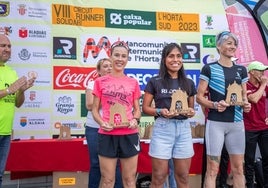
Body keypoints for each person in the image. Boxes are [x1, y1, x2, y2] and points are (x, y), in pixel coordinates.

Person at [196, 31, 251, 188]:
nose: (232, 46)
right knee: (212, 170)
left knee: (239, 169)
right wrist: (214, 105)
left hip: (237, 123)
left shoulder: (241, 70)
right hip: (216, 123)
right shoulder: (209, 68)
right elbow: (199, 97)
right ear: (218, 46)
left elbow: (244, 97)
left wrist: (246, 105)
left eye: (234, 44)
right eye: (228, 43)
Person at [142, 42, 196, 188]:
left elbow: (191, 110)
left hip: (183, 130)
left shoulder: (189, 83)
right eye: (171, 56)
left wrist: (191, 112)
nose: (175, 59)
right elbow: (145, 108)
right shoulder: (155, 81)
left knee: (183, 177)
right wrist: (160, 111)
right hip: (162, 130)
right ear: (164, 59)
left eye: (178, 56)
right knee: (159, 177)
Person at [92, 40, 141, 188]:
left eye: (124, 56)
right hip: (107, 135)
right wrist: (102, 123)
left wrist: (135, 120)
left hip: (129, 135)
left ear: (127, 59)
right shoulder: (100, 82)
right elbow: (94, 109)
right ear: (110, 56)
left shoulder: (133, 82)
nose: (120, 59)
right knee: (107, 181)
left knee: (130, 181)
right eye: (117, 55)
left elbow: (137, 110)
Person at [0, 34, 36, 188]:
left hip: (5, 133)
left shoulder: (12, 72)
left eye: (9, 46)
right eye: (3, 46)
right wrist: (9, 90)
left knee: (0, 174)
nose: (7, 49)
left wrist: (21, 90)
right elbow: (8, 92)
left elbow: (18, 104)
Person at [85, 58, 122, 188]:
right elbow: (90, 105)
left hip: (114, 128)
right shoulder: (92, 84)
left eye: (111, 66)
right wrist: (108, 96)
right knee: (95, 163)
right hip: (94, 128)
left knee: (116, 163)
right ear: (98, 71)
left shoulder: (119, 84)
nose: (109, 68)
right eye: (105, 66)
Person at [243, 60, 268, 188]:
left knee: (266, 159)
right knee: (249, 161)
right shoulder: (245, 85)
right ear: (252, 72)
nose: (263, 73)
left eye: (264, 70)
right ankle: (250, 185)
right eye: (260, 71)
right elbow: (253, 99)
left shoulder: (264, 85)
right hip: (249, 128)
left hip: (264, 128)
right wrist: (263, 85)